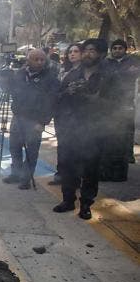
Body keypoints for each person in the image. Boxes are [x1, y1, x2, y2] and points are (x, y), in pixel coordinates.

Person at [53, 38, 119, 220]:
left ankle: (86, 205)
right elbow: (58, 100)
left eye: (92, 50)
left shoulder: (109, 77)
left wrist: (92, 99)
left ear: (101, 54)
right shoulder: (72, 76)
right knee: (68, 167)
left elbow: (116, 105)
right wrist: (68, 93)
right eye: (86, 50)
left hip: (94, 131)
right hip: (71, 129)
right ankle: (67, 200)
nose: (88, 53)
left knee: (90, 170)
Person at [3, 49, 59, 189]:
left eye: (42, 60)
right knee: (14, 146)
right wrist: (7, 81)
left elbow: (52, 102)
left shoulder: (51, 78)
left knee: (31, 150)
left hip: (35, 119)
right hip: (18, 116)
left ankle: (26, 178)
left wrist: (43, 122)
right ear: (28, 60)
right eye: (36, 59)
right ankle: (15, 173)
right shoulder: (20, 74)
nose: (39, 62)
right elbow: (12, 92)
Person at [50, 43, 83, 186]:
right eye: (70, 52)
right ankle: (61, 175)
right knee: (62, 146)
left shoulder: (84, 71)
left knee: (74, 148)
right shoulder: (64, 70)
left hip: (75, 115)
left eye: (76, 51)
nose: (72, 54)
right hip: (60, 113)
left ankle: (74, 179)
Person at [105, 39, 140, 167]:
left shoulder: (133, 62)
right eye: (115, 48)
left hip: (127, 101)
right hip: (109, 102)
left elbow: (133, 75)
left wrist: (116, 75)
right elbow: (105, 77)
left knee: (128, 129)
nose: (117, 50)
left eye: (120, 48)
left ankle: (128, 154)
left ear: (125, 50)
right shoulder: (106, 62)